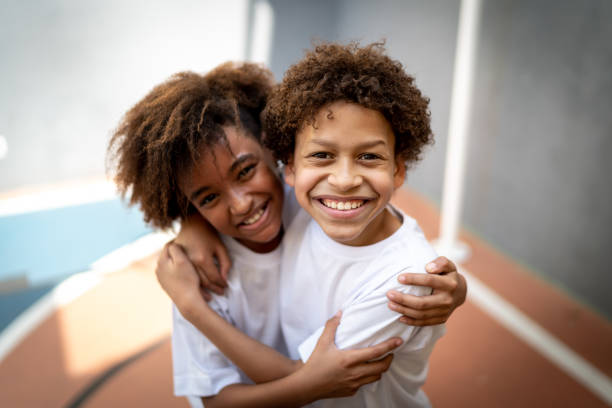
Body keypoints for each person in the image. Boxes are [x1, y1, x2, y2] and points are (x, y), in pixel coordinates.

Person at [110, 60, 464, 407]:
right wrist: (191, 288)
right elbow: (219, 399)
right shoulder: (198, 273)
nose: (240, 205)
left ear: (277, 154)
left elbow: (314, 373)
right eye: (208, 198)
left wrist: (456, 289)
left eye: (246, 171)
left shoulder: (315, 207)